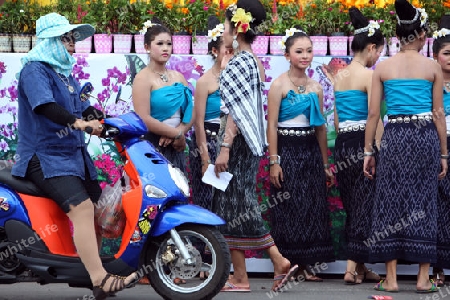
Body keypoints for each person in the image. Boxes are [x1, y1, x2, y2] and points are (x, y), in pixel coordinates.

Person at [10, 13, 137, 300]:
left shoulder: (65, 75)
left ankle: (92, 271)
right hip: (43, 156)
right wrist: (80, 124)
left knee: (98, 208)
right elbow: (46, 108)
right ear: (51, 41)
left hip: (73, 156)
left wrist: (111, 124)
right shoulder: (35, 70)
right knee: (81, 209)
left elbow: (85, 110)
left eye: (73, 39)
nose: (73, 44)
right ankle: (99, 279)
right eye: (67, 38)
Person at [212, 0, 298, 292]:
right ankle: (240, 277)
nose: (222, 33)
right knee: (231, 206)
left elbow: (234, 111)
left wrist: (224, 147)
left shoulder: (241, 62)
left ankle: (277, 259)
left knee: (242, 204)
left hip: (236, 143)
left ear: (237, 28)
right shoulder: (248, 60)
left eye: (225, 27)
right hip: (244, 143)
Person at [364, 0, 447, 293]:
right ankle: (424, 279)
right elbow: (439, 114)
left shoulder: (383, 67)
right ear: (422, 36)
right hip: (425, 136)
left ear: (397, 36)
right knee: (425, 202)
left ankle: (393, 278)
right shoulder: (433, 67)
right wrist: (444, 153)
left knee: (390, 201)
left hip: (396, 136)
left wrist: (367, 153)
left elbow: (373, 115)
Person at [266, 26, 335, 283]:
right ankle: (286, 264)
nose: (305, 56)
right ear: (287, 55)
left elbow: (320, 127)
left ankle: (308, 265)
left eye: (308, 51)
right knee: (287, 205)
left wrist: (326, 163)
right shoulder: (278, 85)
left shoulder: (316, 87)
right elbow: (271, 125)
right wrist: (275, 162)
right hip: (286, 148)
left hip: (310, 150)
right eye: (299, 51)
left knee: (312, 205)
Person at [333, 7, 384, 285]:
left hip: (343, 144)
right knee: (365, 207)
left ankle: (361, 268)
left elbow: (338, 122)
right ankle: (351, 269)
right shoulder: (370, 76)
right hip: (363, 144)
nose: (379, 58)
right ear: (372, 48)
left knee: (354, 207)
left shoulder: (339, 77)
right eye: (379, 52)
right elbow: (374, 118)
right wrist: (376, 149)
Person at [188, 15, 228, 280]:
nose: (231, 54)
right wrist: (204, 157)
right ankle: (202, 262)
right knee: (205, 203)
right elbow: (198, 122)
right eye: (226, 49)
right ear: (214, 51)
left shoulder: (235, 78)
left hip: (229, 144)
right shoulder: (205, 81)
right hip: (208, 142)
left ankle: (224, 261)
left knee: (226, 205)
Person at [132, 18, 194, 174]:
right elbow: (143, 118)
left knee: (180, 190)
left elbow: (190, 112)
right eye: (159, 44)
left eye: (169, 43)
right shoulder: (142, 78)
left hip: (176, 145)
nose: (165, 48)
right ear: (147, 47)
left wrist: (180, 131)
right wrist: (175, 133)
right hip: (154, 145)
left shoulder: (179, 77)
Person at [431, 14, 450, 288]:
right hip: (436, 145)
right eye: (447, 53)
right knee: (437, 206)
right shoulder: (429, 84)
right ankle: (437, 267)